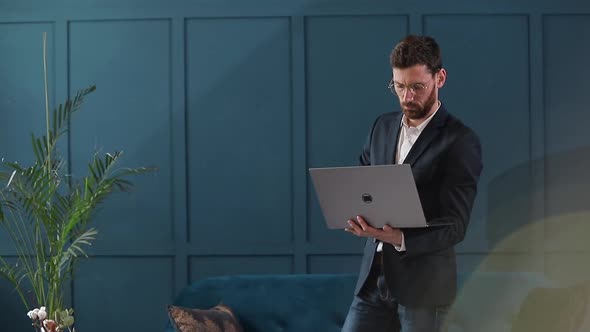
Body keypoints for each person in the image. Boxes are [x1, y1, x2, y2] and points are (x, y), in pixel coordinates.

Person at [341, 35, 483, 332]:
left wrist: (400, 237)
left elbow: (455, 225)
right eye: (400, 86)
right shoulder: (382, 126)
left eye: (417, 87)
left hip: (424, 290)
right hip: (372, 282)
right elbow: (362, 185)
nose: (407, 97)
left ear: (439, 78)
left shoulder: (460, 140)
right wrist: (356, 214)